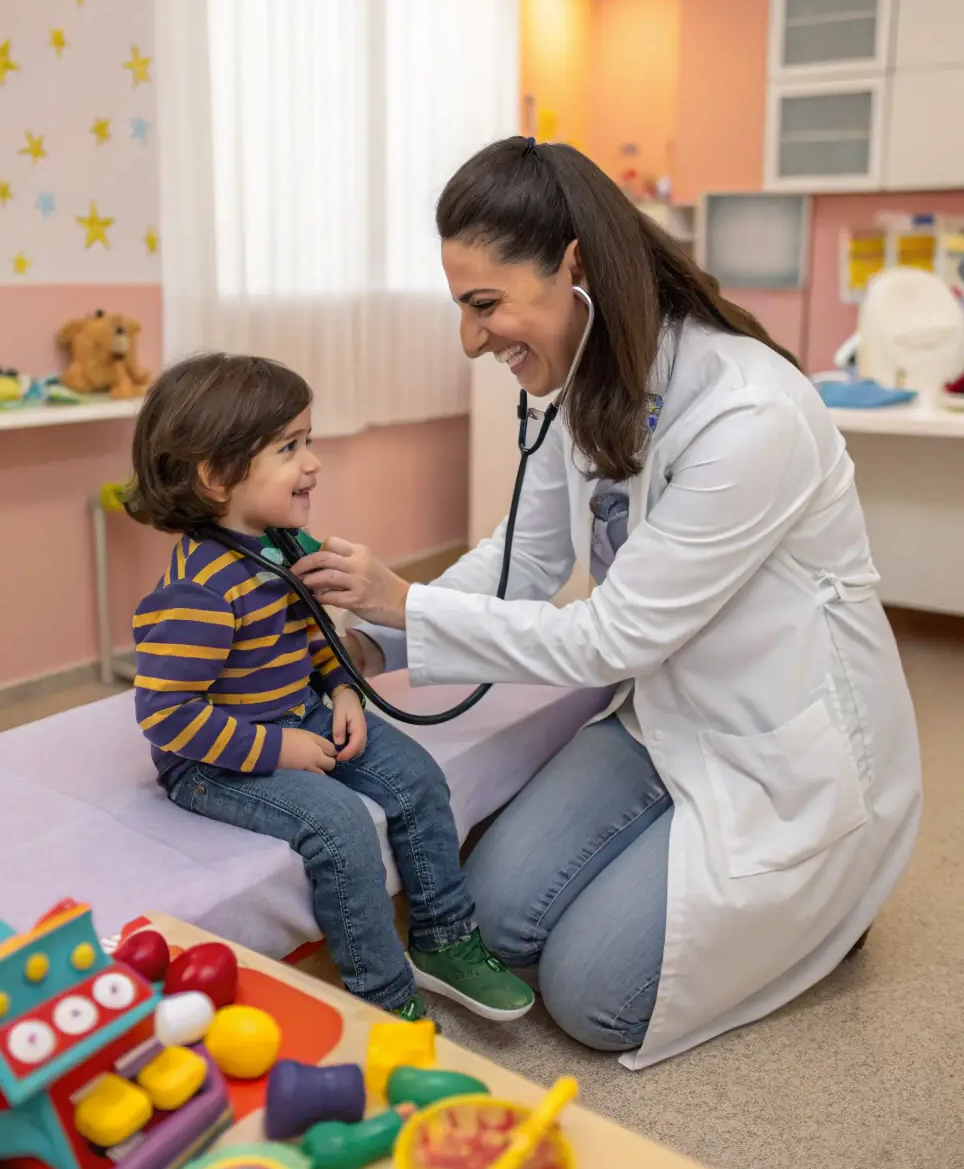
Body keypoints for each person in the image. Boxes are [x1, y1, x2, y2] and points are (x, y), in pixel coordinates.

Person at [293, 136, 923, 1069]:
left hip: (777, 744)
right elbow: (528, 554)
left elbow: (609, 635)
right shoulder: (588, 382)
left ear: (574, 268)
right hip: (662, 712)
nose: (472, 339)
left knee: (595, 997)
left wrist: (404, 599)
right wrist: (377, 641)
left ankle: (836, 907)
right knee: (499, 919)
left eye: (485, 305)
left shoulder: (749, 413)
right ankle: (691, 870)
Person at [124, 352, 534, 1024]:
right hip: (215, 761)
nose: (313, 462)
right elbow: (167, 717)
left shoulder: (284, 543)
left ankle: (444, 936)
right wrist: (279, 749)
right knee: (339, 824)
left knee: (419, 778)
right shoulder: (199, 589)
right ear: (217, 473)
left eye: (307, 441)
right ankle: (380, 996)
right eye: (290, 447)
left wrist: (343, 690)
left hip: (303, 714)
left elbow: (316, 632)